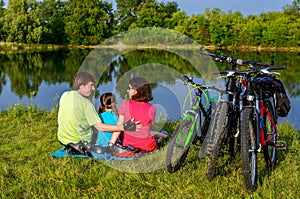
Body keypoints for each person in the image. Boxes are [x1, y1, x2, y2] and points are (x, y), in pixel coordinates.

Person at [57, 71, 139, 156]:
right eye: (91, 85)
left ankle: (72, 146)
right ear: (81, 86)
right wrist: (124, 127)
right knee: (105, 129)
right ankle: (109, 145)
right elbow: (100, 127)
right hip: (79, 141)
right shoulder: (86, 103)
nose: (93, 89)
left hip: (62, 139)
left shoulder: (65, 95)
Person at [109, 77, 164, 152]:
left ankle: (162, 136)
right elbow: (149, 128)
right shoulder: (152, 108)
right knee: (156, 134)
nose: (127, 90)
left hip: (128, 145)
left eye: (130, 88)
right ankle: (163, 136)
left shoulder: (125, 105)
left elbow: (119, 127)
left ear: (136, 91)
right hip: (147, 146)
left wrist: (111, 144)